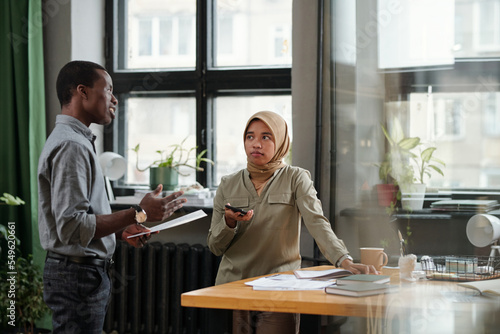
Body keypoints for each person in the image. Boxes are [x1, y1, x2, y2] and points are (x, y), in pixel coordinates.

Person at [37, 60, 187, 333]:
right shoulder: (72, 145)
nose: (115, 99)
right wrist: (137, 213)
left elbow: (83, 219)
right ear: (82, 92)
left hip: (81, 273)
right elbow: (71, 227)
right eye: (108, 90)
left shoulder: (77, 140)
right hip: (77, 275)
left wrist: (122, 229)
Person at [207, 111, 377, 334]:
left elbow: (317, 222)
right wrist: (229, 222)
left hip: (279, 286)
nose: (256, 144)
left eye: (266, 137)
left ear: (281, 141)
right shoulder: (227, 184)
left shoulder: (296, 178)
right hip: (233, 286)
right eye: (250, 137)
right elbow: (215, 246)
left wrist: (343, 259)